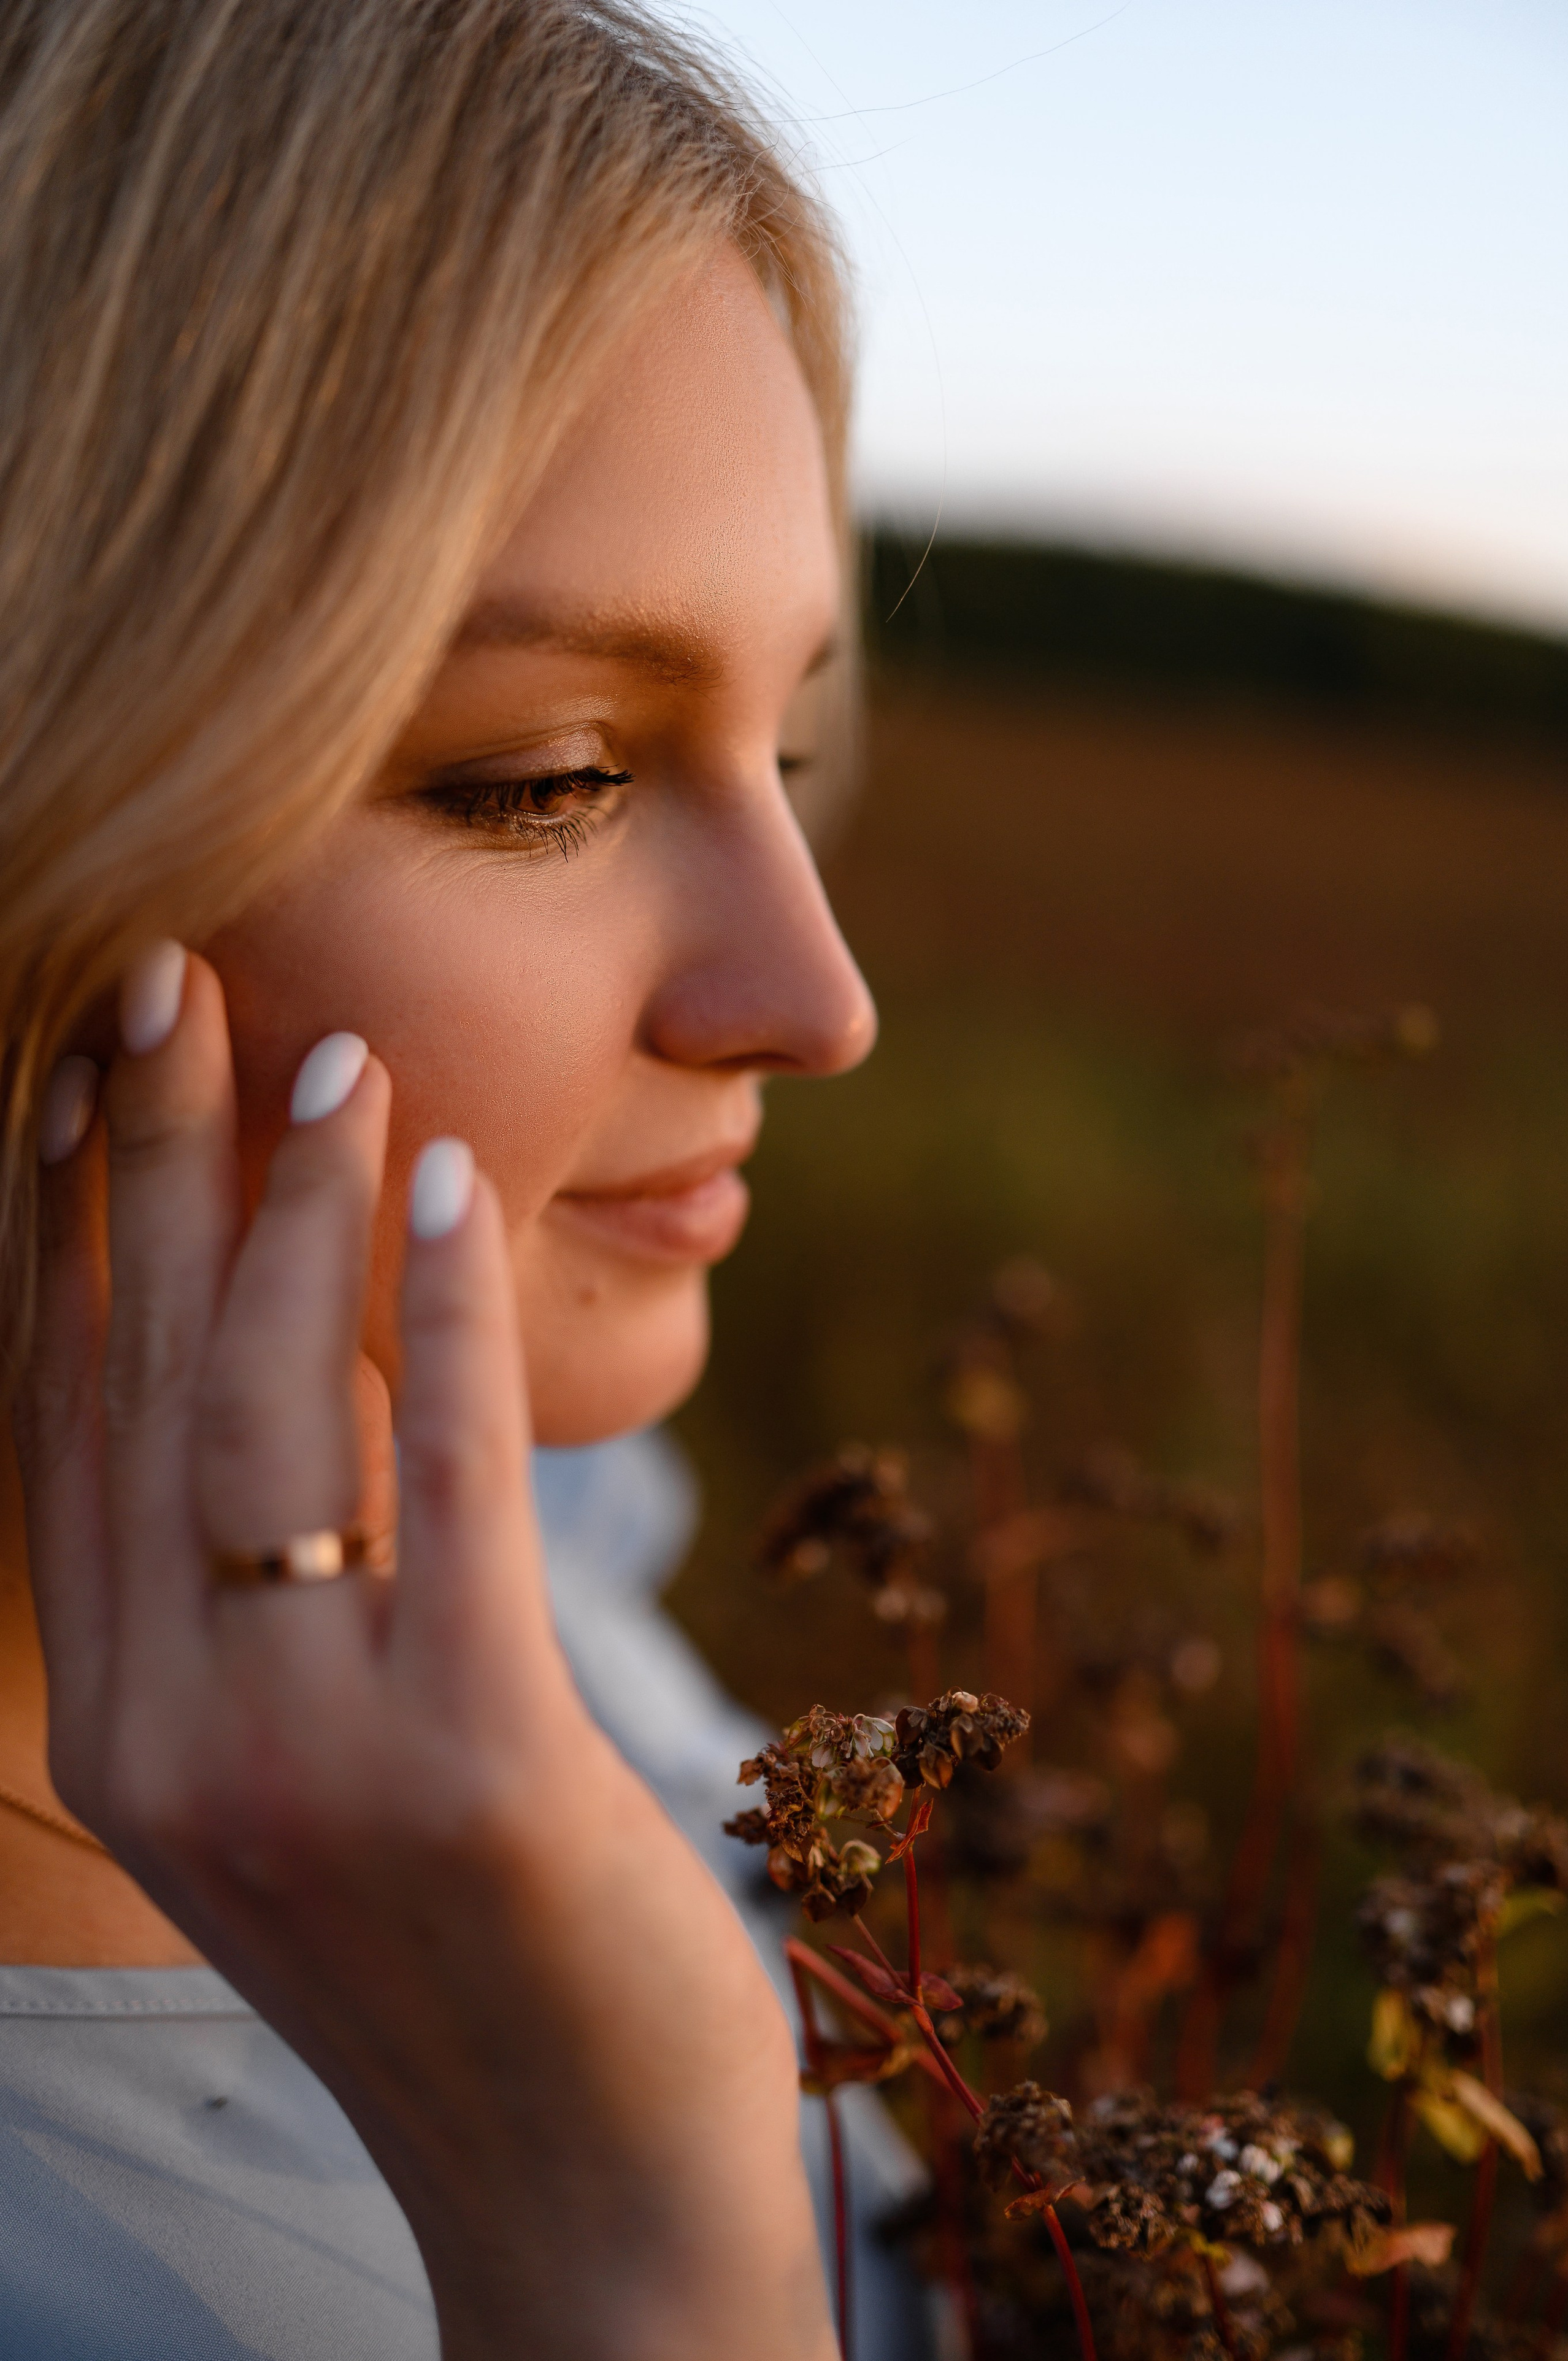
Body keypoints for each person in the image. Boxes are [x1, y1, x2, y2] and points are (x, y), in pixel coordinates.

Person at [0, 2, 932, 2351]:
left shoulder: (534, 1533)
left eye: (786, 747)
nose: (819, 1001)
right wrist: (642, 2276)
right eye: (549, 778)